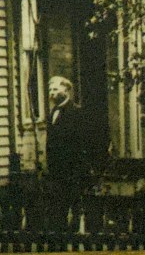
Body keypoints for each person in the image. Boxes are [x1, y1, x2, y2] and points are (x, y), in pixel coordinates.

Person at [44, 76, 92, 216]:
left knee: (74, 207)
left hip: (72, 170)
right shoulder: (53, 112)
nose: (51, 93)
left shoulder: (76, 112)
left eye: (55, 89)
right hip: (56, 170)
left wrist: (78, 170)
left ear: (66, 90)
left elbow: (81, 142)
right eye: (50, 90)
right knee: (58, 208)